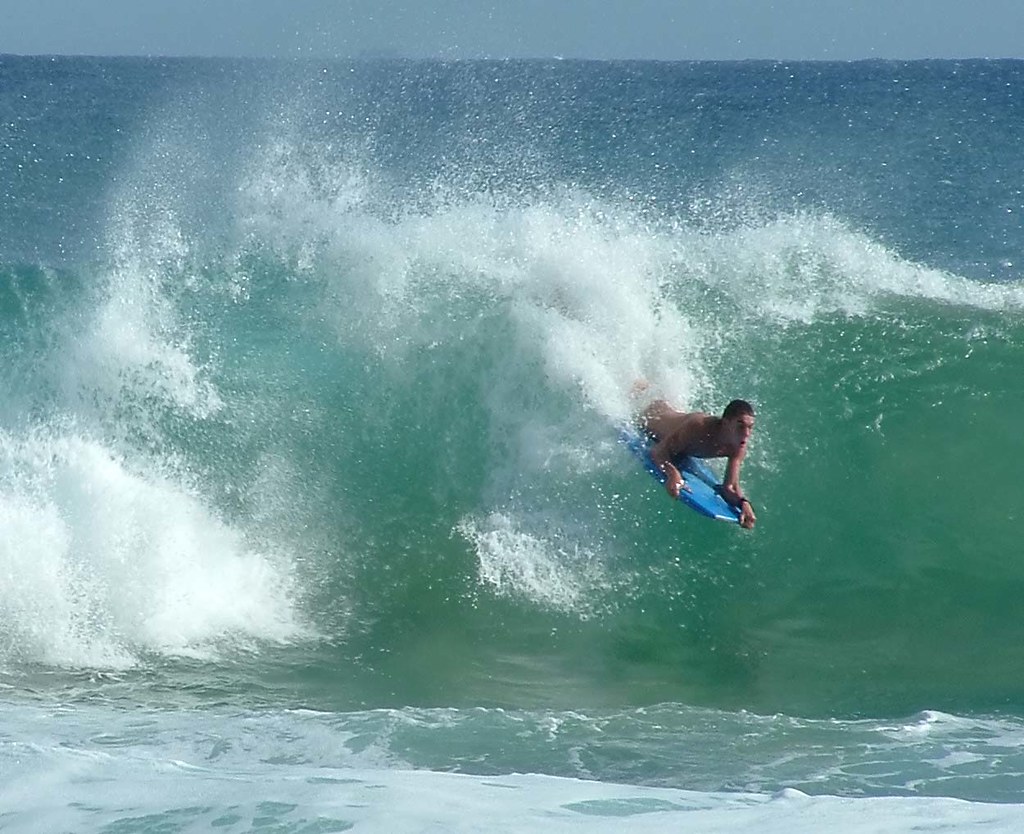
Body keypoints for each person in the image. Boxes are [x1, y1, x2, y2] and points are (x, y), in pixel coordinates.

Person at [639, 398, 757, 529]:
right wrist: (673, 474)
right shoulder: (698, 427)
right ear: (725, 423)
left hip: (675, 440)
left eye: (750, 427)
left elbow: (729, 487)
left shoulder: (738, 446)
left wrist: (743, 503)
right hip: (648, 417)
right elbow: (657, 452)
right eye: (740, 426)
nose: (746, 434)